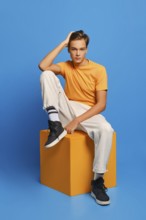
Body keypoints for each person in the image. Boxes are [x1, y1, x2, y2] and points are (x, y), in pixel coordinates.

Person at [39, 30, 114, 206]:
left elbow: (101, 104)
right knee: (47, 74)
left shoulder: (99, 69)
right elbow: (43, 66)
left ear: (87, 49)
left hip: (88, 112)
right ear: (69, 50)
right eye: (73, 49)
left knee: (106, 129)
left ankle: (97, 182)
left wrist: (77, 120)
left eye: (81, 49)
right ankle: (55, 124)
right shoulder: (66, 66)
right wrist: (62, 43)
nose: (78, 53)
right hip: (66, 108)